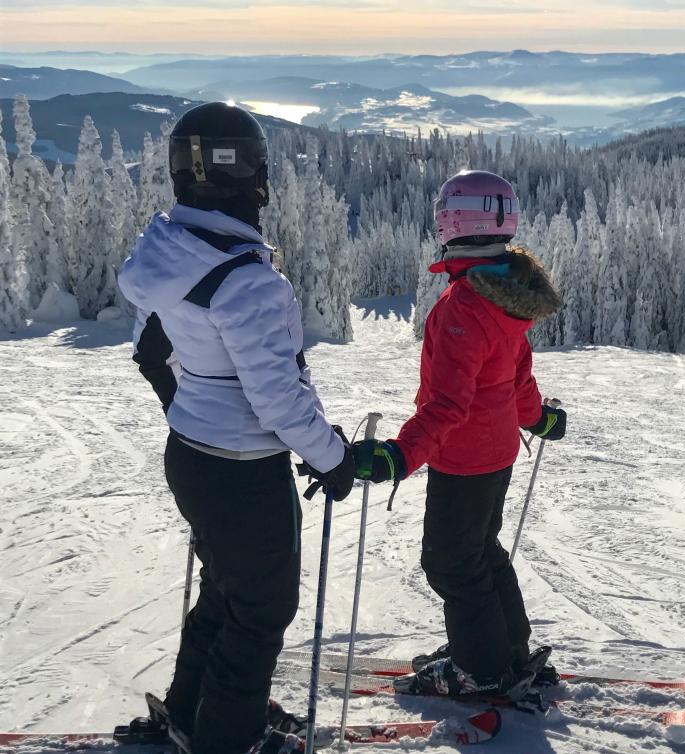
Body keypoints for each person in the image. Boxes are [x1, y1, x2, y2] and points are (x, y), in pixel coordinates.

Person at [118, 102, 354, 754]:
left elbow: (149, 352)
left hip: (194, 458)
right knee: (261, 610)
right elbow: (278, 399)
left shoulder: (173, 251)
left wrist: (190, 407)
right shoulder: (248, 281)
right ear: (249, 176)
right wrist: (332, 460)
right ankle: (228, 737)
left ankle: (195, 715)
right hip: (243, 470)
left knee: (227, 594)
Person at [353, 170, 566, 700]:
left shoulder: (461, 307)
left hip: (465, 458)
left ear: (450, 222)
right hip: (496, 454)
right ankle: (504, 648)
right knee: (479, 550)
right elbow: (517, 375)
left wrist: (400, 456)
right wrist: (536, 418)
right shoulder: (506, 293)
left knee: (450, 560)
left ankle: (481, 668)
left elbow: (447, 404)